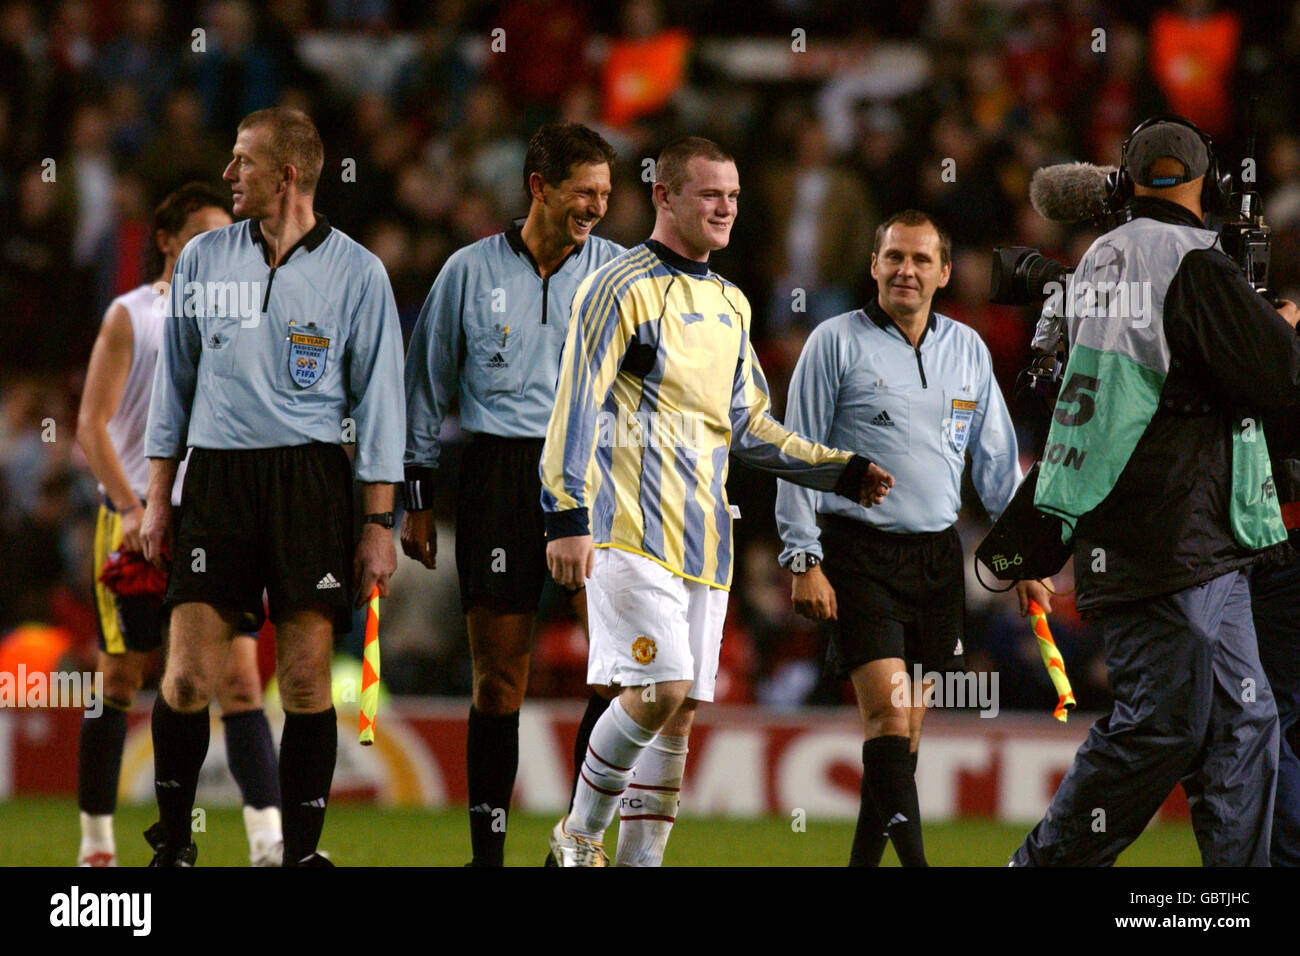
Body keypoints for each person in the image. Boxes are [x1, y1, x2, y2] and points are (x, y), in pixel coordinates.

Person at [540, 136, 895, 866]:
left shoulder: (732, 302)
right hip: (626, 529)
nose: (726, 206)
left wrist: (837, 469)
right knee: (657, 688)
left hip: (707, 540)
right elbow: (573, 405)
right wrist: (566, 516)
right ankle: (576, 835)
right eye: (709, 193)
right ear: (665, 197)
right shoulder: (619, 288)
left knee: (679, 716)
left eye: (733, 194)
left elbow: (749, 428)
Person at [1012, 116, 1300, 865]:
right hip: (1181, 530)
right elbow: (1278, 376)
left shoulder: (1096, 258)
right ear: (1203, 180)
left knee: (1246, 722)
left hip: (1162, 532)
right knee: (1164, 727)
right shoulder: (1193, 261)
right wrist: (1280, 324)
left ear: (1125, 178)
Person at [142, 108, 405, 867]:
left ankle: (299, 855)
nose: (228, 175)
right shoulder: (202, 260)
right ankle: (173, 847)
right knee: (188, 677)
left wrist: (379, 523)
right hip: (218, 476)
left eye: (242, 162)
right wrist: (160, 497)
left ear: (287, 175)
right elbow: (175, 388)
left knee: (302, 679)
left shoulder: (357, 272)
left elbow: (380, 403)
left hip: (310, 480)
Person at [774, 209, 1051, 867]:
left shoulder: (968, 350)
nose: (906, 269)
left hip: (935, 555)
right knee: (891, 721)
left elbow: (995, 468)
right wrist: (802, 556)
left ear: (944, 272)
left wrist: (1026, 559)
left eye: (921, 259)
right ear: (874, 266)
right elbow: (797, 454)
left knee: (906, 733)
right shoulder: (833, 343)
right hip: (856, 552)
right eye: (894, 256)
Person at [400, 122, 625, 867]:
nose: (596, 206)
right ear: (539, 187)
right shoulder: (468, 272)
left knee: (619, 672)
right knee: (499, 678)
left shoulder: (620, 275)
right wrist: (418, 498)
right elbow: (425, 390)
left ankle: (577, 838)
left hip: (595, 478)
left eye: (605, 193)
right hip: (499, 472)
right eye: (584, 192)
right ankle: (487, 858)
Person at [75, 182, 282, 867]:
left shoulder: (241, 312)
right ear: (166, 241)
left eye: (229, 233)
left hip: (213, 517)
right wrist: (131, 507)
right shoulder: (131, 315)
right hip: (135, 517)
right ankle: (97, 843)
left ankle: (267, 841)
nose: (218, 246)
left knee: (240, 682)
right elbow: (90, 424)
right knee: (118, 677)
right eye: (201, 233)